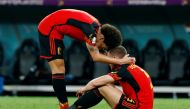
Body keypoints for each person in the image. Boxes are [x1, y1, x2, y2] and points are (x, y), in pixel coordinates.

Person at [38, 9, 135, 109]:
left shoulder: (98, 31)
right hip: (49, 27)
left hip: (57, 28)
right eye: (104, 47)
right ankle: (64, 106)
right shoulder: (91, 32)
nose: (102, 49)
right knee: (59, 69)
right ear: (102, 39)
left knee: (61, 68)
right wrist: (121, 61)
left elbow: (102, 53)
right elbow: (95, 57)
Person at [69, 46, 153, 109]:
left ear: (114, 58)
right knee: (104, 84)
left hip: (138, 107)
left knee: (103, 86)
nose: (108, 62)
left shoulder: (124, 69)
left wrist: (84, 89)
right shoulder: (130, 67)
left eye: (108, 59)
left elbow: (96, 82)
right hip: (137, 105)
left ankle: (74, 107)